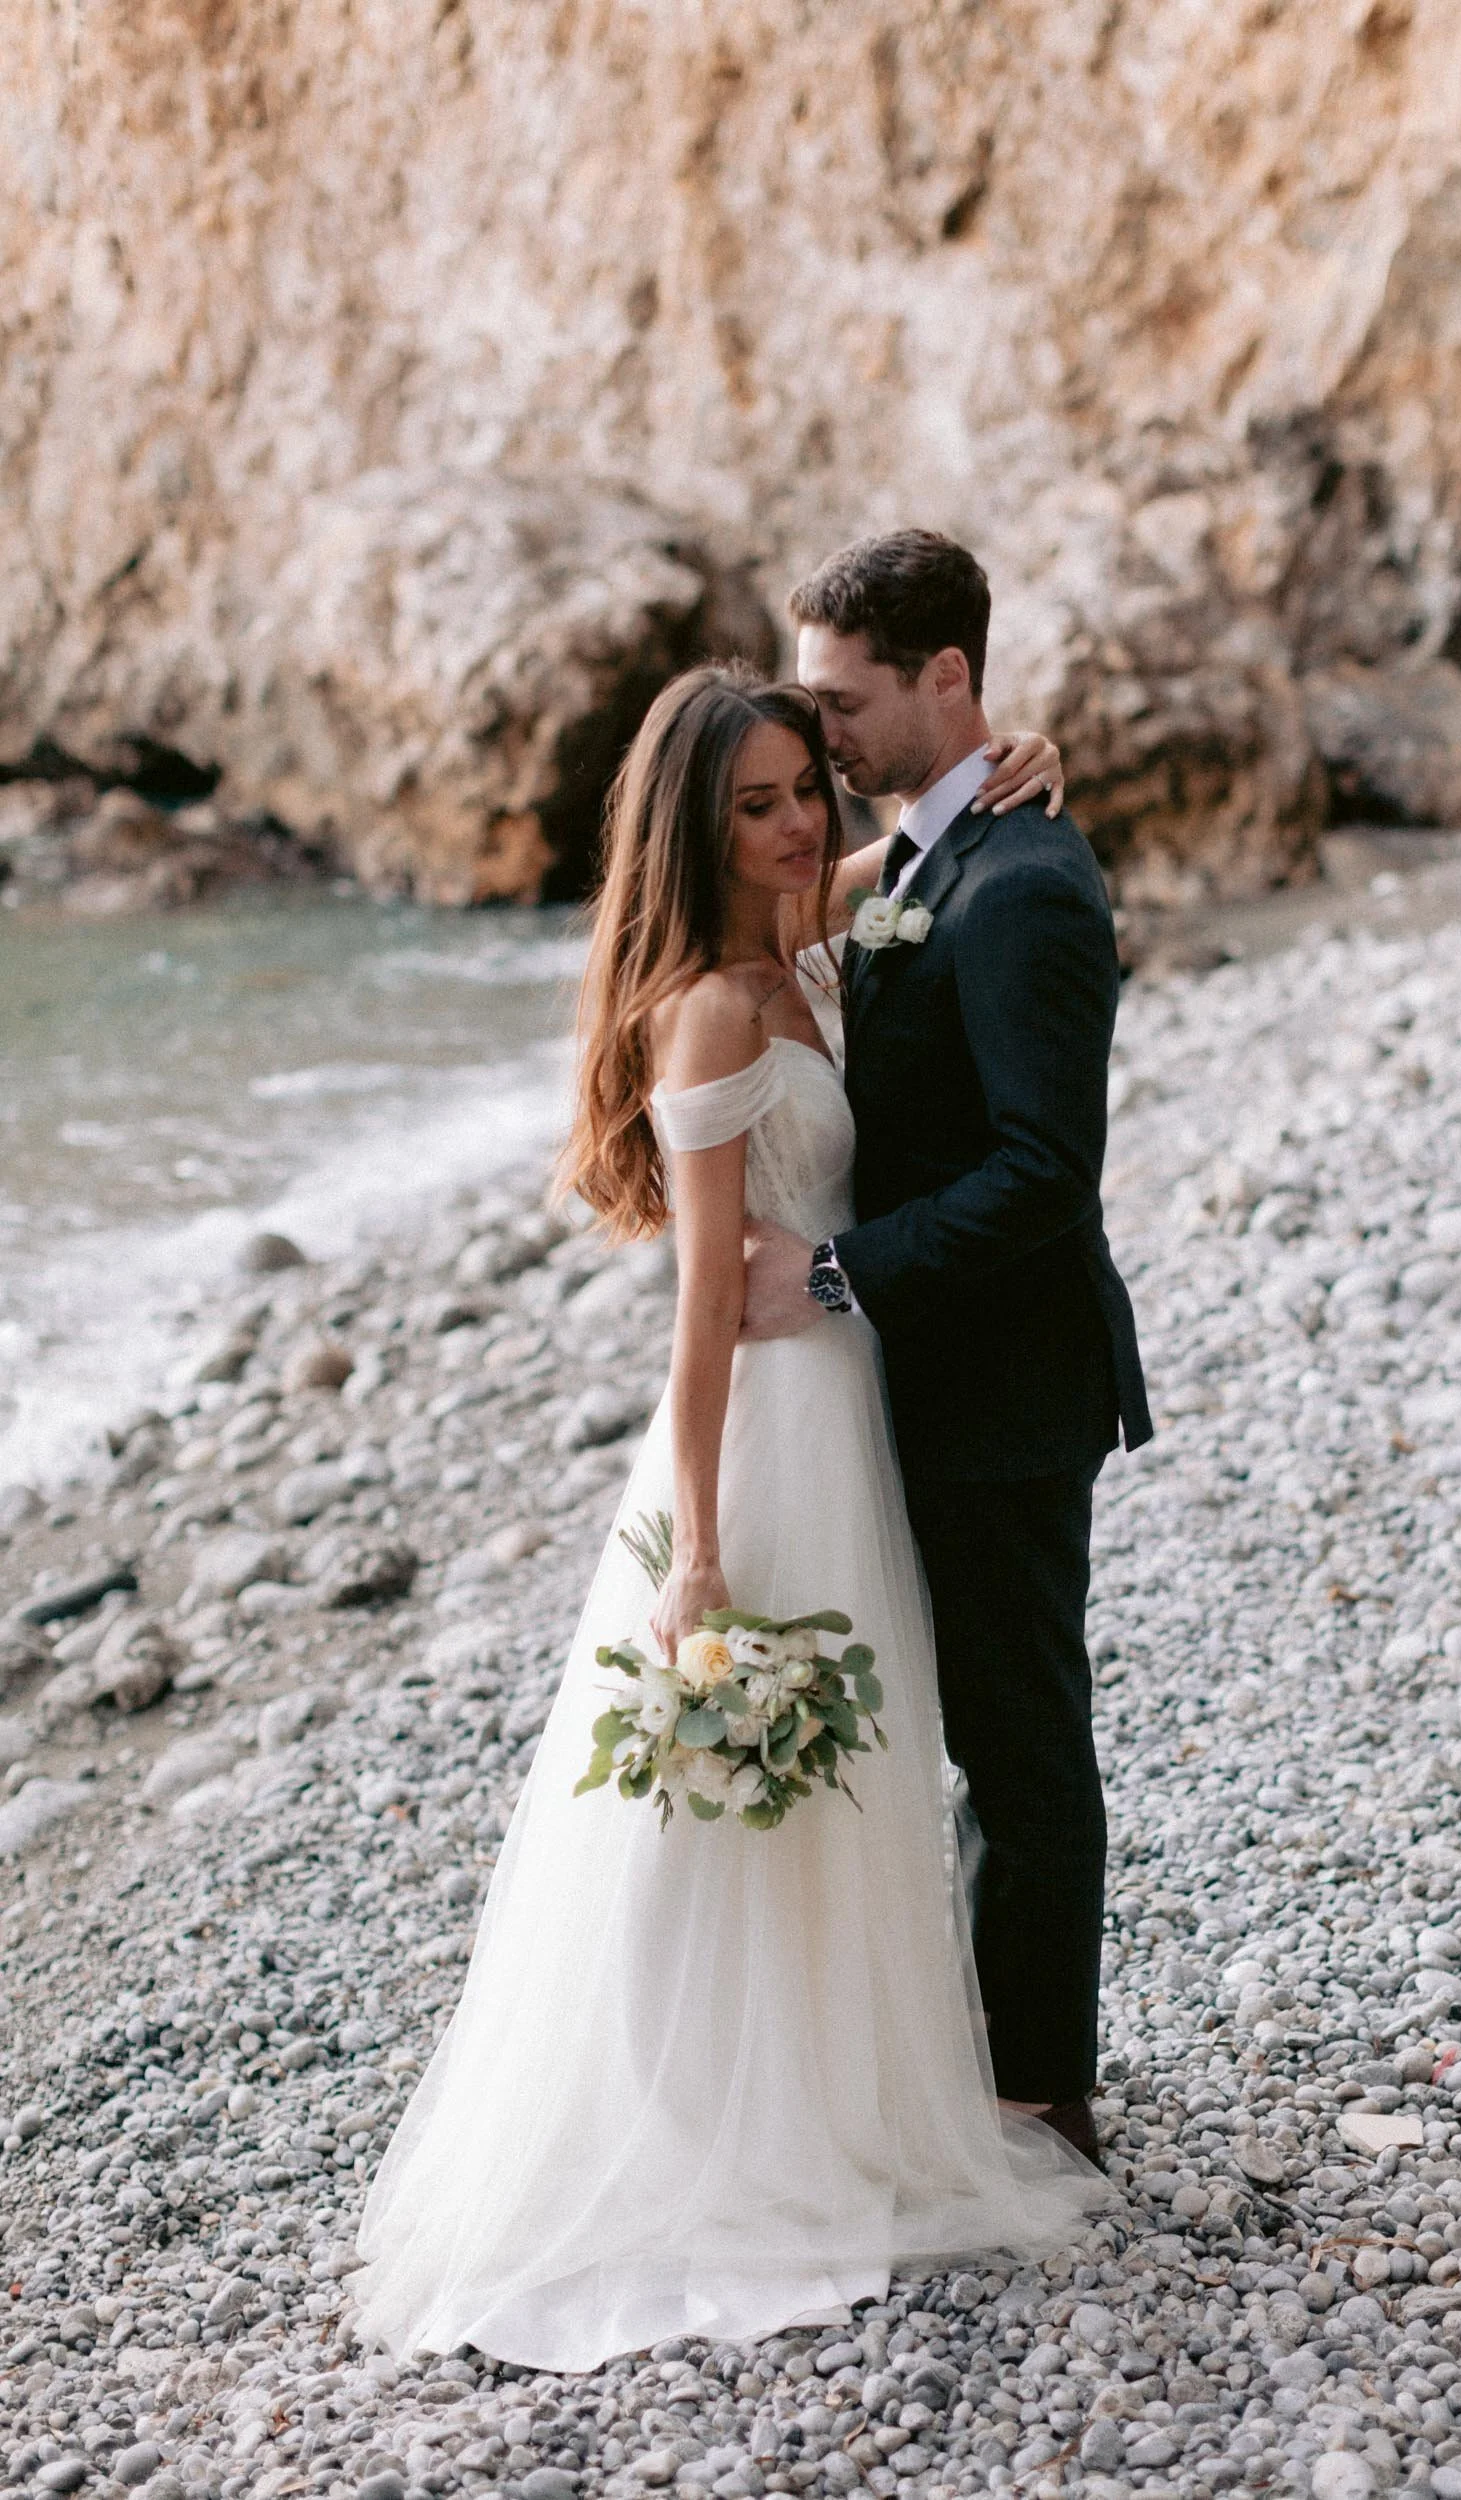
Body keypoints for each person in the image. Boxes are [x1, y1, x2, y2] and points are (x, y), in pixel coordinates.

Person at [347, 665, 1107, 2375]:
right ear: (693, 829)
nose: (793, 821)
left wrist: (1013, 761)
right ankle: (705, 2130)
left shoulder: (803, 937)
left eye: (799, 790)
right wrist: (693, 1549)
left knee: (851, 1777)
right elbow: (697, 1310)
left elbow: (904, 858)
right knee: (730, 1799)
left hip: (852, 1416)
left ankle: (840, 2086)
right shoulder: (706, 1006)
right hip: (760, 1435)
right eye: (753, 803)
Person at [741, 531, 1152, 2165]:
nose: (820, 732)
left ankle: (1038, 2095)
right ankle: (965, 2044)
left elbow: (1045, 1175)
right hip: (924, 1380)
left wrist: (834, 1274)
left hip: (1002, 1390)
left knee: (1020, 1737)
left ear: (947, 682)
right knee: (961, 1723)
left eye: (844, 702)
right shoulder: (928, 852)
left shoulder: (1028, 880)